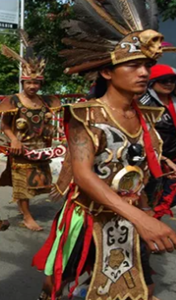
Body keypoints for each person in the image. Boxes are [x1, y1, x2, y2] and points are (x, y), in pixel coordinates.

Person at [32, 1, 176, 299]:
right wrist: (141, 219)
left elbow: (144, 173)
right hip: (88, 218)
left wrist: (147, 211)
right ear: (108, 73)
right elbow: (84, 176)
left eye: (147, 65)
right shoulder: (85, 115)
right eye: (133, 65)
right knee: (55, 287)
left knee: (141, 289)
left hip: (130, 219)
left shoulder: (149, 116)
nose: (143, 72)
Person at [0, 42, 61, 231]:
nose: (33, 86)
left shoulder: (46, 101)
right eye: (29, 82)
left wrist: (56, 132)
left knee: (38, 181)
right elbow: (5, 125)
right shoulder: (13, 101)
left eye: (36, 82)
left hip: (41, 148)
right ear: (23, 82)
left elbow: (47, 123)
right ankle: (27, 216)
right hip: (20, 149)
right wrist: (14, 139)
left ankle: (28, 211)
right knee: (22, 183)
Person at [139, 64, 176, 218]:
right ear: (152, 82)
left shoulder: (174, 100)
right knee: (149, 202)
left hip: (173, 160)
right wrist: (164, 159)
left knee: (166, 200)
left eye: (172, 80)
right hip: (153, 161)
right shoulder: (143, 103)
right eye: (164, 80)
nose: (169, 83)